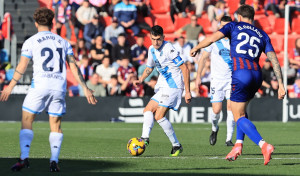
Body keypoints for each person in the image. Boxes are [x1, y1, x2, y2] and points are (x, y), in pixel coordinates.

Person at [0, 7, 97, 172]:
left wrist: (9, 87)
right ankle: (54, 161)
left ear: (36, 23)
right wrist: (86, 88)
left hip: (40, 85)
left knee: (27, 120)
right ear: (52, 23)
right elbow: (73, 67)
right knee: (56, 125)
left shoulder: (31, 41)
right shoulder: (63, 42)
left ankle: (24, 158)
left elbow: (22, 66)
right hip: (59, 87)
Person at [190, 5, 286, 165]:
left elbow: (212, 38)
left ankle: (264, 145)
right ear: (253, 18)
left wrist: (196, 47)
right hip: (257, 75)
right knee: (241, 112)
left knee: (238, 116)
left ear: (239, 17)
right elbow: (274, 60)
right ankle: (238, 145)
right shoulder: (262, 34)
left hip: (241, 74)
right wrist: (281, 84)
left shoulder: (233, 25)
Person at [133, 25, 192, 156]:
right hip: (163, 86)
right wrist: (141, 79)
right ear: (150, 38)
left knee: (158, 116)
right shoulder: (151, 49)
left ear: (163, 38)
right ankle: (147, 138)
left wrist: (187, 91)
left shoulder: (169, 49)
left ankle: (174, 145)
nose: (156, 42)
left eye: (158, 39)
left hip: (174, 86)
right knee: (147, 110)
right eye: (153, 39)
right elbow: (149, 68)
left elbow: (185, 68)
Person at [195, 16, 235, 147]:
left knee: (231, 108)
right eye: (223, 26)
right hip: (217, 80)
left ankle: (228, 139)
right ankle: (214, 128)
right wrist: (198, 77)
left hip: (231, 79)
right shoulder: (213, 40)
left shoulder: (235, 41)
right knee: (216, 110)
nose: (225, 28)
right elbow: (203, 58)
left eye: (228, 26)